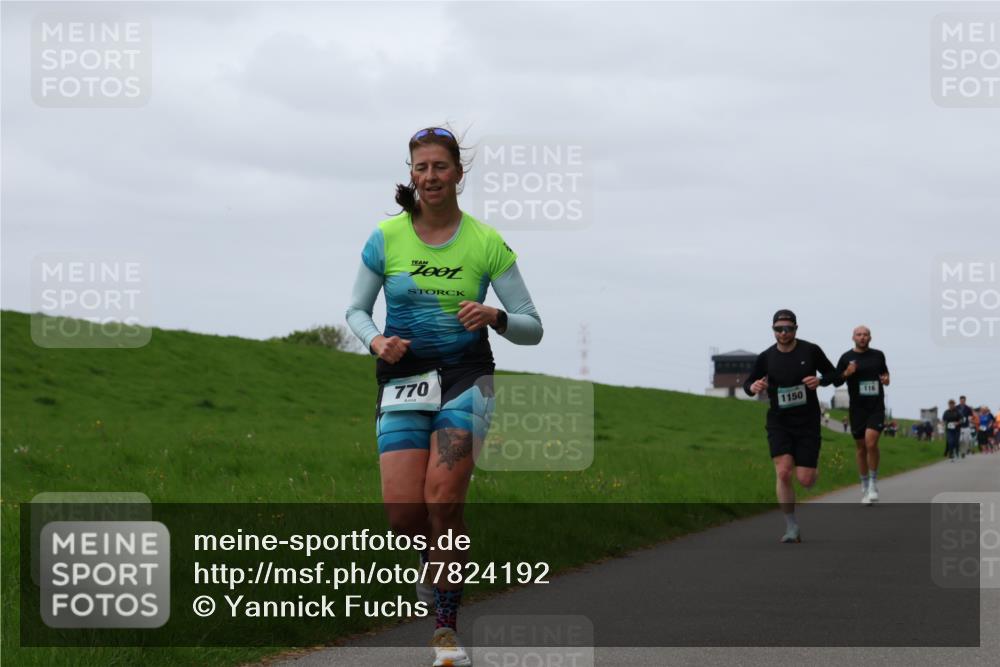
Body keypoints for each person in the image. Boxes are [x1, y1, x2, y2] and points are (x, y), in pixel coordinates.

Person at [346, 126, 543, 667]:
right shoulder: (386, 237)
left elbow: (532, 326)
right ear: (411, 174)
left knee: (444, 499)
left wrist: (494, 315)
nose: (430, 176)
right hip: (403, 379)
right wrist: (376, 341)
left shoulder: (485, 242)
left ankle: (446, 633)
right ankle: (431, 563)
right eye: (421, 167)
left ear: (458, 172)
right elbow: (357, 310)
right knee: (404, 515)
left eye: (439, 166)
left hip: (466, 379)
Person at [744, 309, 840, 543]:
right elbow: (748, 383)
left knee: (806, 480)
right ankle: (791, 526)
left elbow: (835, 375)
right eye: (779, 329)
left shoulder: (811, 350)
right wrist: (753, 387)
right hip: (779, 422)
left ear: (796, 329)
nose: (783, 333)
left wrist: (820, 380)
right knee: (783, 471)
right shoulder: (766, 357)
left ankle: (809, 468)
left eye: (788, 328)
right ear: (773, 330)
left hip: (807, 422)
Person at [835, 325, 890, 505]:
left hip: (876, 406)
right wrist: (846, 373)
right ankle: (864, 483)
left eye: (865, 334)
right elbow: (836, 381)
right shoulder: (846, 357)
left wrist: (886, 379)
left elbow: (885, 373)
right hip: (857, 408)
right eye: (859, 334)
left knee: (871, 443)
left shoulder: (878, 355)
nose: (862, 337)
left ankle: (873, 483)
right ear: (853, 337)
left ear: (870, 338)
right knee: (861, 447)